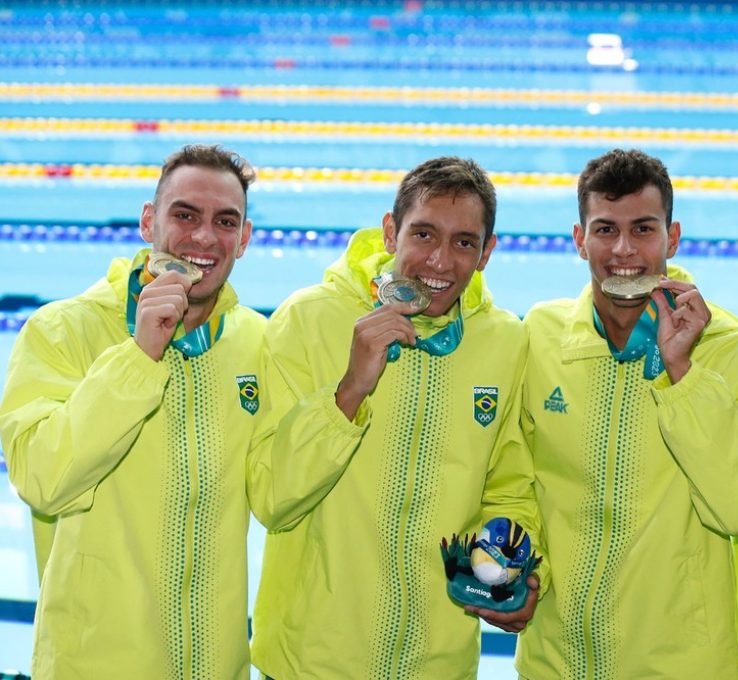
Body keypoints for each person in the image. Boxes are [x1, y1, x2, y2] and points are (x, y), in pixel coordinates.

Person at [249, 156, 543, 679]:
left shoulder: (503, 342)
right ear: (390, 232)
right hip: (312, 665)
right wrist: (349, 391)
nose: (440, 261)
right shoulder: (309, 320)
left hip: (437, 664)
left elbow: (510, 483)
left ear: (486, 254)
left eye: (464, 243)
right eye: (424, 234)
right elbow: (273, 498)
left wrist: (511, 561)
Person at [514, 148, 738, 679]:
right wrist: (518, 566)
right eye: (604, 230)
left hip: (679, 667)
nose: (623, 250)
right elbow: (514, 480)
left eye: (642, 229)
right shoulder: (539, 338)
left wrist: (683, 375)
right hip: (554, 662)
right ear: (578, 239)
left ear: (672, 237)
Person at [0, 144, 266, 678]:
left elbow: (283, 492)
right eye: (184, 214)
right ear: (149, 221)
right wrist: (138, 358)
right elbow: (42, 478)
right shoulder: (61, 330)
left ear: (245, 238)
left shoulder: (258, 343)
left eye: (225, 221)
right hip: (95, 663)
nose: (204, 237)